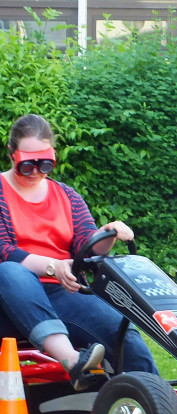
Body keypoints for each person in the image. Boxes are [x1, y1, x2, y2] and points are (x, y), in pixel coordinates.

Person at [0, 113, 158, 390]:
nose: (36, 171)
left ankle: (157, 399)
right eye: (27, 165)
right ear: (12, 155)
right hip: (9, 296)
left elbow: (87, 247)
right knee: (10, 272)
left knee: (120, 330)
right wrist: (54, 266)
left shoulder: (67, 196)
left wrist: (108, 233)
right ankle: (73, 361)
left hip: (62, 292)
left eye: (45, 163)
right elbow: (5, 251)